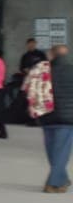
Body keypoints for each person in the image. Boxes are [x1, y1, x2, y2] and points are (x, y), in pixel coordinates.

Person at [40, 44, 72, 193]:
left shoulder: (43, 71)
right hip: (67, 118)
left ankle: (57, 181)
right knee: (61, 151)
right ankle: (57, 181)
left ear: (51, 54)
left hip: (48, 116)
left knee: (52, 151)